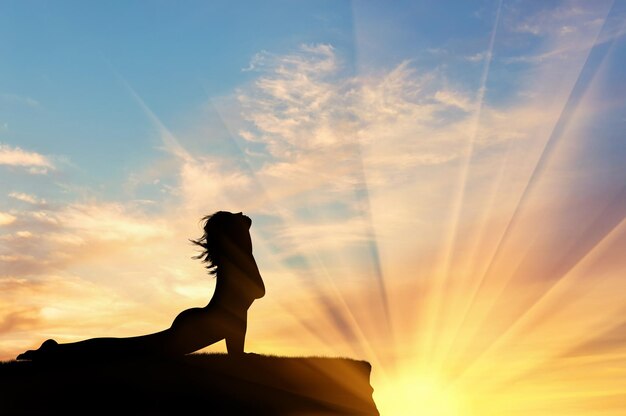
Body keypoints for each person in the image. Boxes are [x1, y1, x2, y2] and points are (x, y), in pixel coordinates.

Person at [17, 211, 265, 362]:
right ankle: (55, 353)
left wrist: (238, 355)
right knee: (129, 350)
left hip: (201, 321)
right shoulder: (236, 263)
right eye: (235, 216)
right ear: (234, 234)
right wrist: (238, 356)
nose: (242, 214)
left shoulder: (237, 262)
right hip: (201, 324)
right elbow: (244, 305)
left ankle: (56, 351)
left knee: (130, 347)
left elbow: (239, 311)